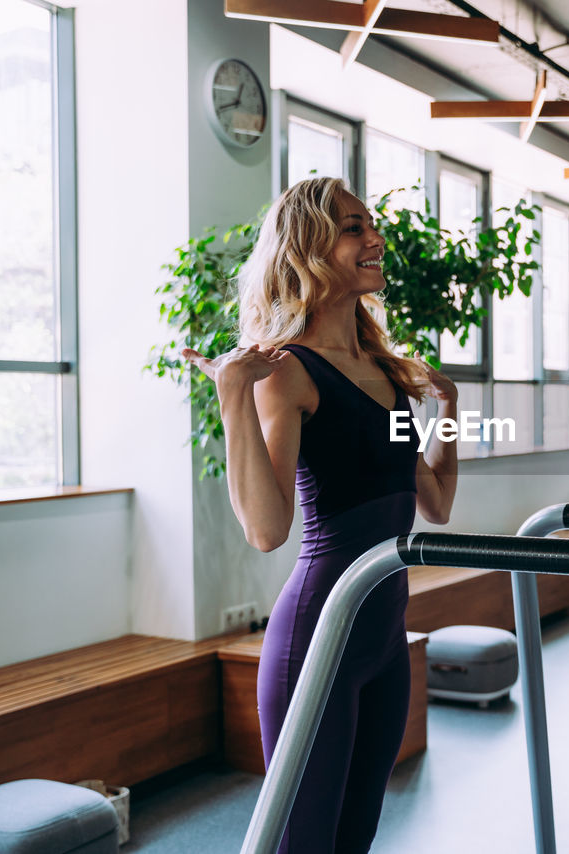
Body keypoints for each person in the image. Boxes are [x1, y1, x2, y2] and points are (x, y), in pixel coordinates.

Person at [183, 177, 458, 853]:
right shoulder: (286, 372)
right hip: (317, 640)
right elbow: (268, 530)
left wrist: (448, 411)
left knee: (356, 836)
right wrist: (232, 398)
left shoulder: (386, 372)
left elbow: (436, 501)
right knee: (302, 842)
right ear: (308, 247)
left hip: (385, 639)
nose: (375, 240)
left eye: (371, 224)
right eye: (354, 228)